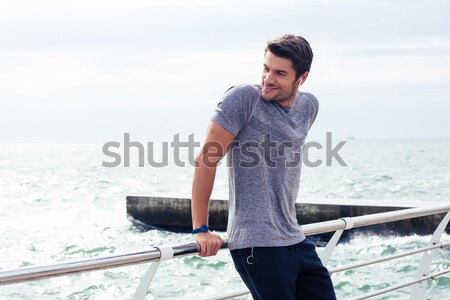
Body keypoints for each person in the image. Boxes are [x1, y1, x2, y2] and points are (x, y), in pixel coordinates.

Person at [191, 34, 336, 300]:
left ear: (301, 78)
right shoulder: (243, 98)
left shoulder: (309, 107)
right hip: (257, 244)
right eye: (266, 68)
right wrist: (201, 229)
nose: (268, 79)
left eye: (280, 73)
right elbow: (206, 159)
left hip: (295, 238)